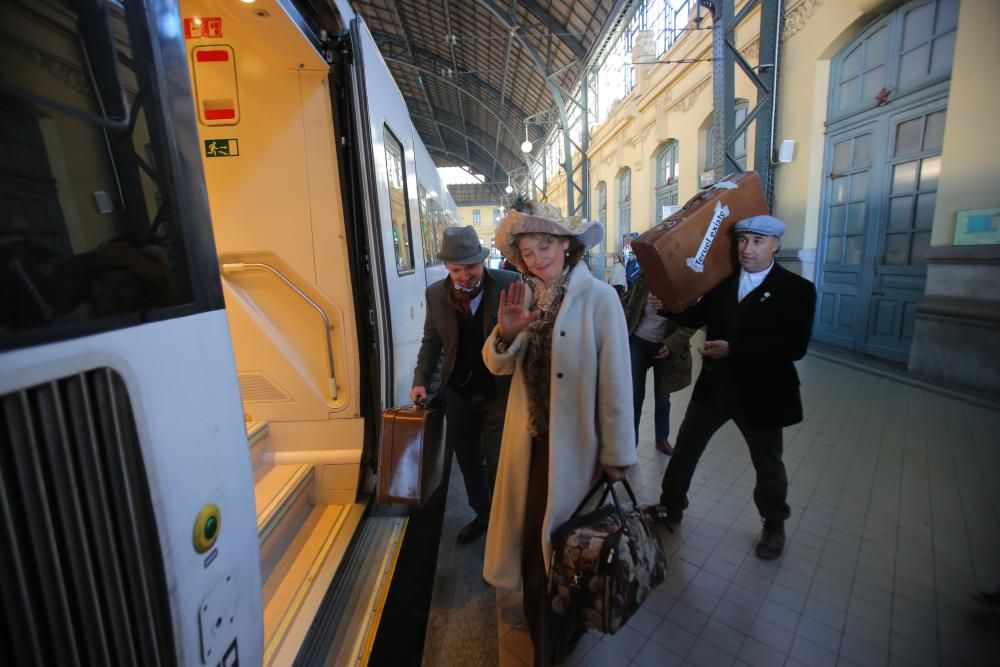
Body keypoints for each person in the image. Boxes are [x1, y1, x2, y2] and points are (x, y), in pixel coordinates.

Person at [482, 202, 636, 666]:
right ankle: (545, 638)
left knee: (568, 548)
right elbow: (497, 365)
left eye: (544, 246)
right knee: (535, 544)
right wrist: (506, 335)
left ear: (567, 246)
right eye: (526, 252)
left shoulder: (599, 298)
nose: (536, 259)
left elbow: (616, 382)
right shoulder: (525, 298)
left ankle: (559, 637)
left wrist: (616, 454)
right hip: (529, 448)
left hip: (577, 453)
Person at [648, 215, 816, 561]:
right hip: (716, 387)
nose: (747, 248)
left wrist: (734, 350)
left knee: (768, 462)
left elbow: (794, 347)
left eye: (757, 241)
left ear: (775, 245)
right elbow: (696, 317)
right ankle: (671, 507)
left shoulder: (797, 290)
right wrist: (665, 306)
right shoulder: (723, 283)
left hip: (762, 392)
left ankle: (773, 524)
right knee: (686, 450)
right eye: (742, 240)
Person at [411, 225, 520, 543]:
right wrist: (421, 380)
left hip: (498, 393)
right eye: (457, 269)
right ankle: (484, 515)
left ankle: (506, 523)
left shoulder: (508, 285)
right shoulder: (435, 295)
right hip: (457, 393)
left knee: (500, 461)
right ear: (447, 267)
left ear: (482, 262)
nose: (465, 276)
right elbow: (431, 341)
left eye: (471, 267)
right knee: (468, 460)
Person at [622, 271, 696, 455]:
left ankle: (661, 437)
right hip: (638, 343)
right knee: (634, 396)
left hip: (664, 347)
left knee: (663, 397)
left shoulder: (683, 285)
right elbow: (629, 307)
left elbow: (691, 323)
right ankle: (631, 443)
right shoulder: (644, 280)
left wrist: (671, 344)